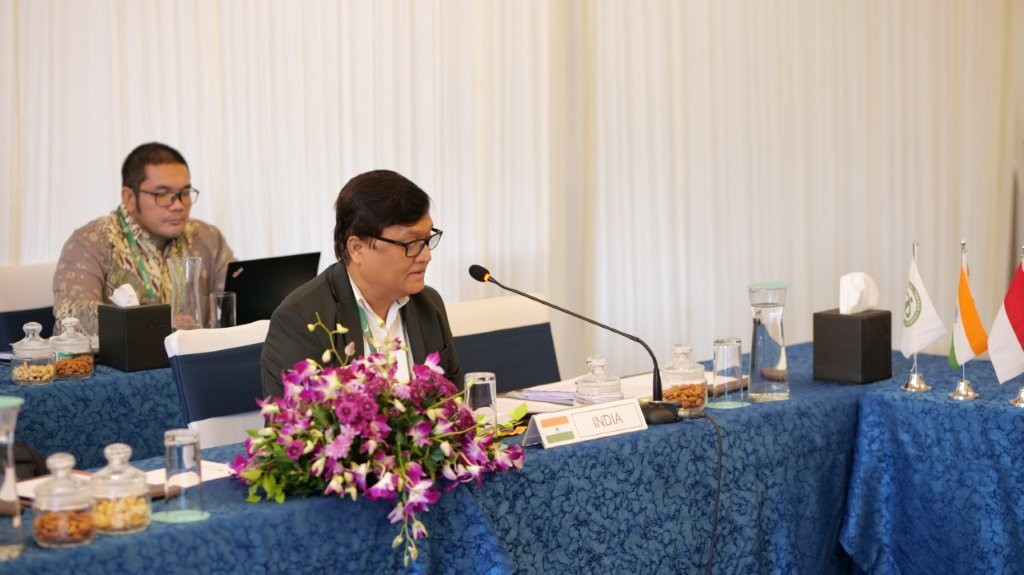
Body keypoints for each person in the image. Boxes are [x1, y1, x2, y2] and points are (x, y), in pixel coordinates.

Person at [261, 169, 460, 397]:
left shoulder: (429, 305)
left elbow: (454, 403)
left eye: (427, 240)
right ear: (357, 248)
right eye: (411, 243)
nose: (426, 255)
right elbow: (292, 417)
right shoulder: (301, 320)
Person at [53, 142, 235, 335]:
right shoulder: (91, 242)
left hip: (198, 353)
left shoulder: (207, 238)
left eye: (184, 193)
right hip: (122, 356)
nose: (178, 205)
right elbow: (73, 318)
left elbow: (239, 303)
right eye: (163, 194)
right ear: (130, 198)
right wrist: (160, 326)